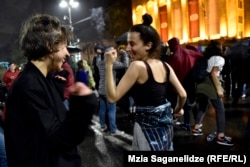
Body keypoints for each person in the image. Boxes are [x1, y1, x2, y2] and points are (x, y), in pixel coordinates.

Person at [4, 14, 98, 167]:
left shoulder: (40, 79)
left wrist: (57, 88)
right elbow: (58, 138)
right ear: (50, 46)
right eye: (64, 46)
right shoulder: (29, 85)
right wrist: (84, 104)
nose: (67, 53)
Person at [104, 13, 186, 151]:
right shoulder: (165, 66)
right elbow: (183, 94)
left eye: (132, 44)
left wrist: (108, 65)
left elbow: (112, 97)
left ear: (148, 45)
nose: (128, 48)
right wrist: (177, 111)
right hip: (165, 129)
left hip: (146, 131)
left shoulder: (137, 67)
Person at [192, 40, 233, 146]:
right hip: (210, 85)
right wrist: (219, 89)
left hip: (201, 85)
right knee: (220, 110)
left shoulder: (205, 58)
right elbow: (214, 74)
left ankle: (196, 128)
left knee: (202, 107)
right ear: (219, 47)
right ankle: (221, 136)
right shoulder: (219, 58)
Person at [167, 37, 203, 131]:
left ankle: (187, 123)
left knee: (185, 103)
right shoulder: (188, 52)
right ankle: (198, 122)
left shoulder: (173, 58)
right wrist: (192, 47)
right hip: (190, 81)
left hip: (181, 83)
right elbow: (199, 54)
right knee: (193, 102)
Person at [96, 45, 129, 135]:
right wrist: (125, 54)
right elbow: (125, 65)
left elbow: (98, 57)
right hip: (109, 90)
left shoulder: (99, 61)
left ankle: (102, 126)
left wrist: (100, 54)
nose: (115, 54)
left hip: (101, 89)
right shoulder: (113, 63)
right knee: (111, 110)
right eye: (113, 53)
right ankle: (113, 130)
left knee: (102, 109)